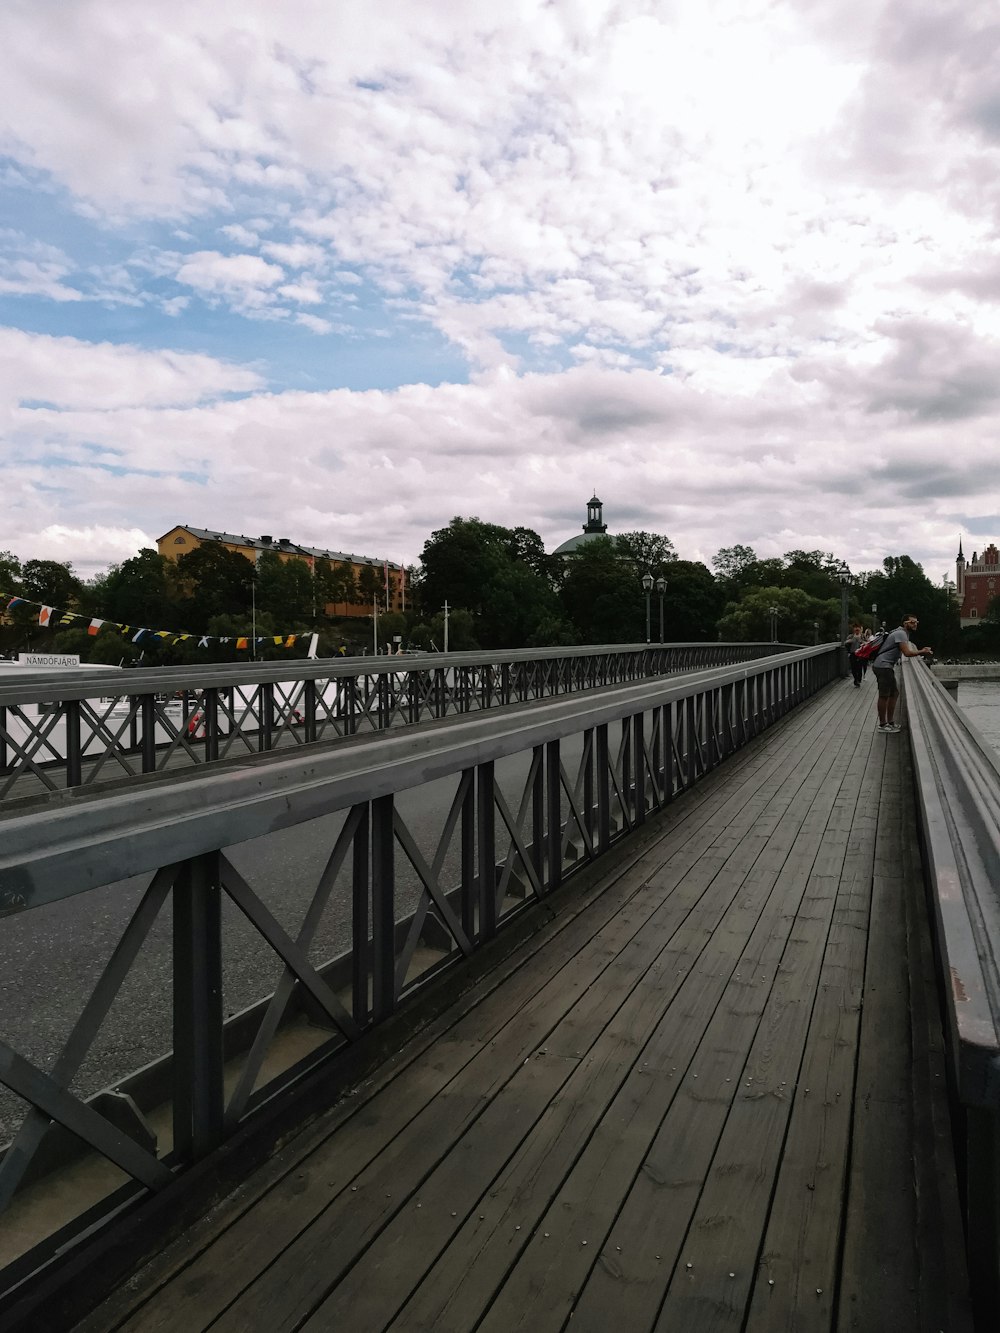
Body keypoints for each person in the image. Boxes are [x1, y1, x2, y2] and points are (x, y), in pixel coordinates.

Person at [871, 614, 933, 733]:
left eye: (916, 622)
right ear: (905, 623)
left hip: (885, 666)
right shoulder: (901, 634)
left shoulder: (901, 633)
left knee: (894, 693)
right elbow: (907, 653)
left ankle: (890, 722)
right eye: (912, 622)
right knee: (884, 695)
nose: (915, 624)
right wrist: (923, 651)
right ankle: (883, 725)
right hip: (883, 666)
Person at [844, 623, 865, 687]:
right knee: (853, 667)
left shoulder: (862, 636)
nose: (856, 629)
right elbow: (846, 642)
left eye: (858, 627)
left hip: (860, 654)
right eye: (855, 627)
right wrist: (851, 641)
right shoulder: (850, 636)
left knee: (859, 667)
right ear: (853, 629)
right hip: (852, 653)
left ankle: (859, 678)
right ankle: (855, 680)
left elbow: (867, 642)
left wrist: (861, 642)